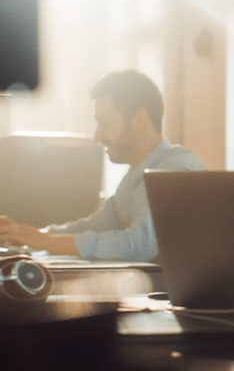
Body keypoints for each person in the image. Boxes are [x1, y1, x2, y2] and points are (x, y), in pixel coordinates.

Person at [0, 70, 204, 261]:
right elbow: (95, 227)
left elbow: (140, 244)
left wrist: (44, 241)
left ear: (140, 121)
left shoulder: (176, 168)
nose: (97, 137)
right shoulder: (132, 181)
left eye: (105, 124)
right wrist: (24, 233)